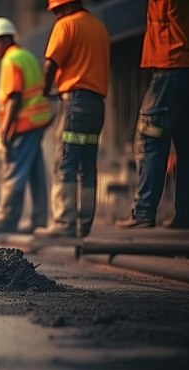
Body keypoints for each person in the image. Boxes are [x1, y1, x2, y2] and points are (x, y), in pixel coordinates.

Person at [34, 0, 109, 238]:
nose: (55, 14)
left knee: (65, 162)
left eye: (56, 10)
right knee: (87, 165)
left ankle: (64, 222)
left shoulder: (66, 25)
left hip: (74, 102)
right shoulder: (98, 26)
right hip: (97, 104)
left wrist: (45, 91)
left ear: (64, 7)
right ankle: (84, 224)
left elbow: (50, 65)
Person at [116, 0, 189, 229]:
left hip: (169, 68)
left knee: (150, 140)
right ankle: (184, 214)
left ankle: (144, 212)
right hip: (181, 68)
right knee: (185, 145)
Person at [0, 18, 52, 233]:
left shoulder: (10, 60)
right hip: (37, 121)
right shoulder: (26, 56)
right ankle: (39, 219)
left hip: (24, 123)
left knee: (14, 170)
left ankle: (7, 219)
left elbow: (14, 97)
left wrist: (4, 132)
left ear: (5, 39)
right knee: (34, 171)